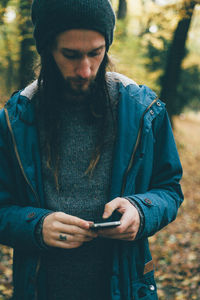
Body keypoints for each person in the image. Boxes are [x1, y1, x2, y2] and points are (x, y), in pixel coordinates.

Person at [0, 0, 183, 299]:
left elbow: (170, 189)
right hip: (41, 289)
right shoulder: (14, 121)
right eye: (71, 55)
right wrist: (35, 225)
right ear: (47, 50)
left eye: (95, 53)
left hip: (124, 286)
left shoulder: (144, 112)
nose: (85, 70)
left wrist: (140, 211)